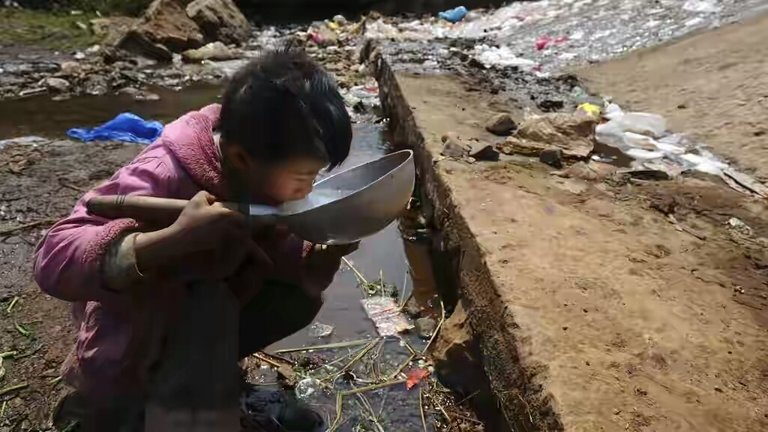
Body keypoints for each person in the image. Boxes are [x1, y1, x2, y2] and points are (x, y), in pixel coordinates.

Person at [33, 49, 355, 431]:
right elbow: (51, 256)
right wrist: (173, 240)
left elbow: (271, 252)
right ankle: (125, 404)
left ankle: (209, 389)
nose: (309, 190)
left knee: (296, 297)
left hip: (195, 337)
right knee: (208, 305)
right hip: (134, 344)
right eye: (303, 177)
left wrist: (308, 267)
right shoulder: (164, 173)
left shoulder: (258, 175)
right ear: (241, 157)